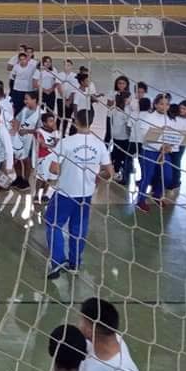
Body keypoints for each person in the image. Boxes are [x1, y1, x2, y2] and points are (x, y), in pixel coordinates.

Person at [45, 109, 113, 279]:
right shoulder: (99, 144)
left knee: (53, 224)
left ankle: (58, 261)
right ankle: (75, 263)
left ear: (75, 121)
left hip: (65, 192)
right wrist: (96, 176)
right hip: (85, 194)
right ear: (91, 122)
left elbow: (54, 167)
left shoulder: (66, 142)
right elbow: (109, 172)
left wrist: (59, 172)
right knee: (78, 228)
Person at [135, 93, 174, 213]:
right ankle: (140, 201)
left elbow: (174, 136)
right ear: (155, 104)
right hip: (149, 152)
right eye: (161, 104)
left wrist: (170, 146)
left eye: (167, 104)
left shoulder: (170, 119)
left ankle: (157, 194)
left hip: (165, 152)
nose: (164, 106)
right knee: (147, 177)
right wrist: (160, 146)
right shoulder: (148, 118)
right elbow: (144, 137)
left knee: (167, 176)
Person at [12, 91, 41, 190]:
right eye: (24, 99)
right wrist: (14, 130)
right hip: (19, 138)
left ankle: (26, 181)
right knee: (17, 160)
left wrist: (27, 131)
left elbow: (40, 130)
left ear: (34, 99)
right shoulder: (24, 110)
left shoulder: (40, 113)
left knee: (26, 161)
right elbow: (17, 119)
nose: (25, 101)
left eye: (27, 99)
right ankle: (18, 178)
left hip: (30, 140)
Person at [106, 88, 133, 186]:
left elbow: (110, 121)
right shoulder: (126, 111)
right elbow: (128, 125)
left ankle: (112, 167)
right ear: (125, 99)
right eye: (130, 98)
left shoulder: (113, 109)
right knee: (122, 155)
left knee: (116, 152)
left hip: (115, 135)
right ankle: (117, 170)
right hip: (124, 136)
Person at [165, 99, 186, 203]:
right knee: (169, 162)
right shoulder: (174, 117)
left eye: (184, 108)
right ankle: (168, 181)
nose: (181, 110)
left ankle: (175, 182)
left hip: (181, 144)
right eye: (180, 108)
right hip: (171, 142)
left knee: (176, 163)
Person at [34, 112, 59, 204]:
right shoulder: (39, 131)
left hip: (53, 158)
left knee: (50, 178)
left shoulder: (55, 132)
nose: (53, 123)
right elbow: (43, 145)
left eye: (53, 121)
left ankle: (44, 194)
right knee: (41, 178)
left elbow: (58, 143)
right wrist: (54, 146)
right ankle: (36, 194)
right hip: (43, 158)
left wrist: (55, 131)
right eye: (50, 121)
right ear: (44, 123)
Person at [9, 50, 39, 116]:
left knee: (28, 106)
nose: (22, 61)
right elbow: (14, 75)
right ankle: (17, 119)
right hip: (17, 90)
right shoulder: (16, 66)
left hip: (28, 90)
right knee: (17, 106)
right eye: (21, 59)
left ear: (27, 59)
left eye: (24, 59)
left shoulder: (32, 67)